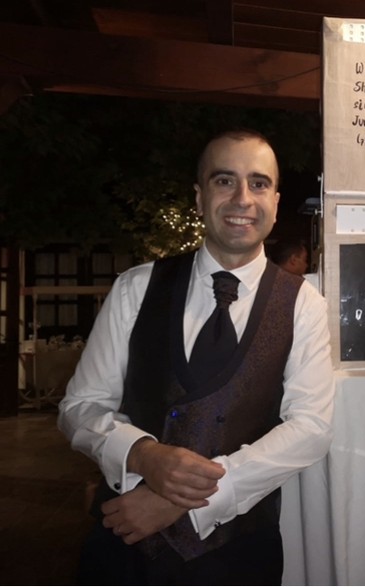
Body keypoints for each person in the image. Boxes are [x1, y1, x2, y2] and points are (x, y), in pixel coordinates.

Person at [58, 129, 335, 585]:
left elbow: (311, 428)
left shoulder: (304, 304)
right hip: (124, 538)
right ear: (200, 197)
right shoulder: (136, 287)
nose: (242, 198)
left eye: (259, 183)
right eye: (225, 181)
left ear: (275, 201)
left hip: (239, 553)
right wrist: (142, 456)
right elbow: (80, 407)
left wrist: (182, 499)